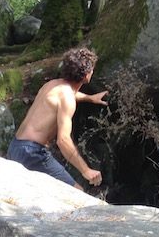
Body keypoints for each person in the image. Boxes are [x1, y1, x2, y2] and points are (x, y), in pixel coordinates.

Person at [7, 47, 107, 190]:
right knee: (76, 193)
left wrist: (90, 98)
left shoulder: (53, 85)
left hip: (16, 147)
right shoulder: (67, 98)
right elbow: (63, 140)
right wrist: (86, 171)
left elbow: (68, 96)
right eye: (92, 70)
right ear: (86, 75)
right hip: (33, 153)